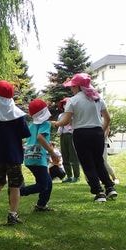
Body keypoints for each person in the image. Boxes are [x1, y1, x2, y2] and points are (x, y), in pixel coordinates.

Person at [53, 73, 117, 202]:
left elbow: (65, 121)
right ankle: (110, 188)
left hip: (81, 134)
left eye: (72, 86)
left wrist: (55, 123)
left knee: (87, 164)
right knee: (99, 161)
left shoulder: (73, 100)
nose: (71, 89)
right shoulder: (98, 98)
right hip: (97, 133)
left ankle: (99, 192)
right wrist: (101, 132)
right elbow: (107, 119)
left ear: (78, 86)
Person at [0, 80, 31, 225]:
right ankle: (12, 214)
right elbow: (24, 134)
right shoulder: (18, 115)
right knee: (15, 185)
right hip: (14, 156)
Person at [21, 99, 60, 211]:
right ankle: (18, 192)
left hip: (29, 157)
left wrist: (48, 145)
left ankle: (41, 205)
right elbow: (40, 137)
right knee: (43, 185)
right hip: (38, 158)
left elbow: (32, 139)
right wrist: (52, 152)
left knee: (47, 183)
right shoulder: (45, 123)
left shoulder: (31, 124)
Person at [57, 98, 80, 183]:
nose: (65, 105)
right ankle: (69, 176)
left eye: (66, 104)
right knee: (65, 156)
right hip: (63, 135)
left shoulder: (75, 114)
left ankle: (76, 176)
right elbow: (60, 126)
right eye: (63, 104)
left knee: (73, 156)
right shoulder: (61, 115)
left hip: (72, 135)